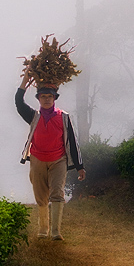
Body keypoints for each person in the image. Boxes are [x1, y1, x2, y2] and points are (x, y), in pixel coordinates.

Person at [15, 73, 85, 240]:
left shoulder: (63, 117)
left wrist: (80, 166)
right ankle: (43, 228)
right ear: (39, 99)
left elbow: (73, 143)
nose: (47, 100)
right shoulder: (33, 116)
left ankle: (55, 232)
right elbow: (18, 102)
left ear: (55, 98)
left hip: (58, 160)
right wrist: (25, 80)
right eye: (43, 97)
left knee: (57, 193)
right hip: (38, 160)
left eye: (50, 97)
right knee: (41, 196)